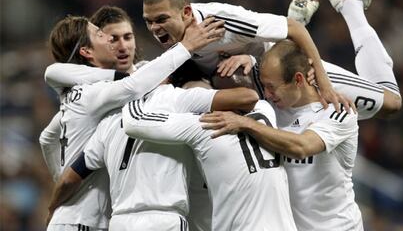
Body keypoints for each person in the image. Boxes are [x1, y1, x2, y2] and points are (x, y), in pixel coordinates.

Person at [41, 6, 225, 231]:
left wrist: (58, 180)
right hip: (85, 220)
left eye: (127, 37)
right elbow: (132, 86)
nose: (114, 43)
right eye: (103, 36)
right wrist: (186, 46)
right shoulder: (95, 94)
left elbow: (47, 138)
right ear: (87, 52)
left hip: (86, 218)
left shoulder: (78, 93)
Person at [46, 72, 259, 230]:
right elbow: (247, 98)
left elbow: (69, 179)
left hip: (120, 221)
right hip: (165, 219)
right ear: (166, 78)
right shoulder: (176, 98)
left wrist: (52, 208)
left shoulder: (109, 121)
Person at [200, 39, 363, 230]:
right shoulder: (273, 108)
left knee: (391, 102)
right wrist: (249, 59)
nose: (266, 94)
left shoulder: (338, 112)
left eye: (271, 87)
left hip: (339, 228)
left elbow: (302, 147)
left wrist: (246, 124)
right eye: (264, 86)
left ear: (299, 80)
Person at [142, 0, 349, 112]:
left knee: (381, 103)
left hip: (271, 73)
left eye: (161, 19)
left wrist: (324, 83)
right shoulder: (172, 34)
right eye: (148, 21)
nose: (153, 28)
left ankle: (351, 4)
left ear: (186, 13)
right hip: (232, 82)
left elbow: (295, 29)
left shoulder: (223, 21)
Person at [120, 83, 298, 230]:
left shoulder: (203, 125)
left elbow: (134, 122)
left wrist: (136, 88)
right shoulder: (265, 109)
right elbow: (250, 96)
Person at [286, 0, 401, 119]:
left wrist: (293, 28)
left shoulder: (248, 20)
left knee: (391, 101)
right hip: (281, 79)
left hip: (301, 74)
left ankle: (350, 5)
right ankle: (350, 5)